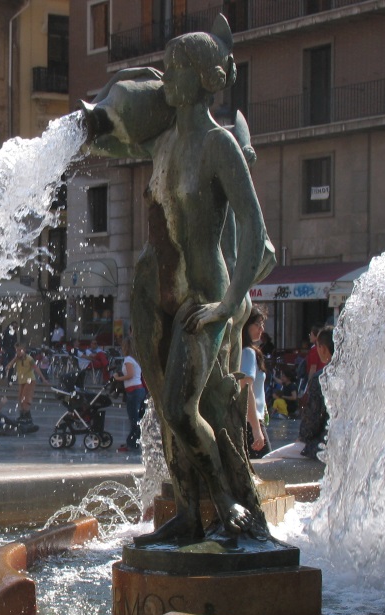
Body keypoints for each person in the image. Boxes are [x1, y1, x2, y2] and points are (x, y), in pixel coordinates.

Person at [84, 15, 278, 543]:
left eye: (175, 69)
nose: (165, 78)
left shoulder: (219, 146)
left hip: (203, 294)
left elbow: (254, 228)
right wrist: (90, 125)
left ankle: (227, 502)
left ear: (202, 78)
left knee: (181, 408)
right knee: (167, 413)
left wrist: (229, 305)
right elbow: (110, 144)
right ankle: (189, 516)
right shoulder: (163, 142)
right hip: (155, 293)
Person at [239, 306, 270, 459]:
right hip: (251, 421)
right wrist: (256, 429)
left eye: (262, 324)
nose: (261, 329)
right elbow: (246, 389)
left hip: (250, 420)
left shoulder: (243, 351)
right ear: (246, 325)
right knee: (265, 467)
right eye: (257, 324)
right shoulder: (248, 352)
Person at [299, 326, 334, 461]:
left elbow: (313, 418)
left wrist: (302, 436)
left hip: (324, 444)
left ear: (323, 348)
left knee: (271, 458)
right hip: (351, 444)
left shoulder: (322, 378)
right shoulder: (355, 375)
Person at [113, 337, 148, 452]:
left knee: (133, 418)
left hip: (133, 390)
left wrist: (117, 378)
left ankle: (131, 443)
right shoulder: (136, 359)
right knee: (138, 418)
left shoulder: (128, 359)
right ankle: (136, 440)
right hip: (140, 389)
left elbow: (130, 375)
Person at [4, 346, 47, 427]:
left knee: (25, 398)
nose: (18, 352)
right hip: (22, 381)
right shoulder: (17, 359)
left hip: (30, 380)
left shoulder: (29, 359)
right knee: (20, 398)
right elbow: (8, 367)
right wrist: (15, 359)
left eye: (20, 350)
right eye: (17, 351)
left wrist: (43, 378)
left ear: (24, 351)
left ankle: (27, 417)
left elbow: (36, 368)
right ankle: (23, 416)